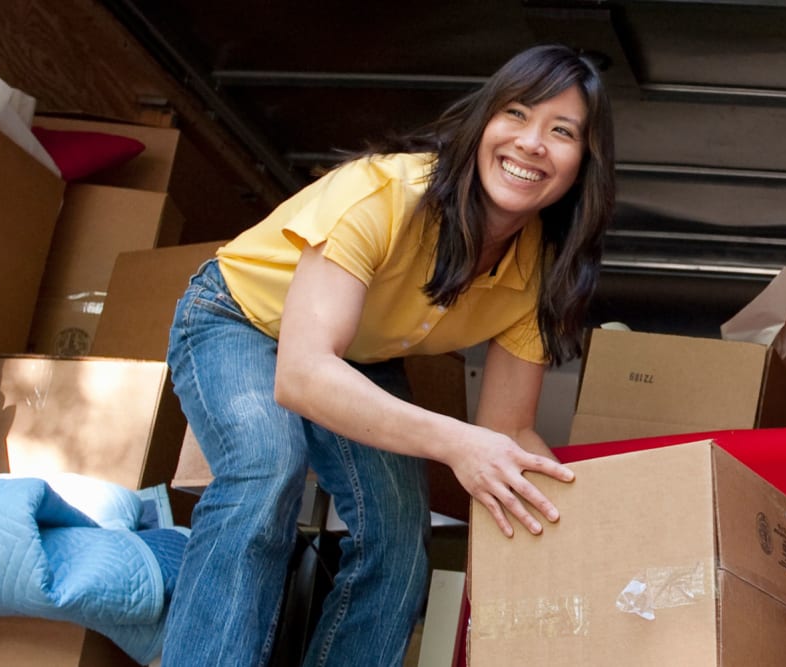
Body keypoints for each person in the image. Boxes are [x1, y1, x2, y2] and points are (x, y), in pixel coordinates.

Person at [161, 43, 615, 666]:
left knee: (401, 543)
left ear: (582, 165)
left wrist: (594, 528)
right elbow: (303, 373)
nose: (532, 142)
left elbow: (507, 430)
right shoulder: (387, 194)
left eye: (561, 131)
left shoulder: (540, 268)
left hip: (358, 357)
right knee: (266, 469)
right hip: (238, 318)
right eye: (515, 113)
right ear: (482, 122)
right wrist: (455, 443)